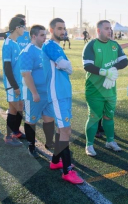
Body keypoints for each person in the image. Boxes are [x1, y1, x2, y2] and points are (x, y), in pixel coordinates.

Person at [43, 18, 83, 184]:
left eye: (64, 28)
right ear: (51, 30)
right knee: (65, 130)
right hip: (57, 94)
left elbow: (66, 66)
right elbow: (65, 65)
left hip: (63, 93)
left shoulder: (57, 46)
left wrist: (67, 66)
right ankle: (67, 171)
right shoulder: (50, 45)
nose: (63, 31)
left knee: (63, 129)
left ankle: (55, 161)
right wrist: (67, 66)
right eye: (59, 28)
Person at [82, 20, 128, 156]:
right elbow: (87, 66)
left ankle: (110, 141)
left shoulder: (114, 45)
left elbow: (124, 61)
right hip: (94, 89)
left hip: (110, 89)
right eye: (107, 28)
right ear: (98, 30)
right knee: (94, 117)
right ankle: (89, 145)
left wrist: (114, 68)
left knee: (109, 117)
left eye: (110, 29)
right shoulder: (91, 45)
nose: (110, 31)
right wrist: (105, 72)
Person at [20, 24, 55, 158]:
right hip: (33, 95)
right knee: (31, 120)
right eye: (42, 35)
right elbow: (26, 75)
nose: (44, 37)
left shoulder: (44, 49)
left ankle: (49, 143)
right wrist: (34, 93)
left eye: (45, 34)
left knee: (49, 118)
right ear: (33, 36)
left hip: (47, 93)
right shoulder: (27, 52)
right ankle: (31, 146)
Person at [3, 16, 26, 147]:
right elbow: (7, 67)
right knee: (13, 108)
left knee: (20, 107)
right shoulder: (8, 43)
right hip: (13, 84)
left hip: (20, 83)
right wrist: (15, 85)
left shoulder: (16, 43)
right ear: (17, 28)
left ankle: (16, 132)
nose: (24, 30)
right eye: (23, 27)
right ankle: (8, 136)